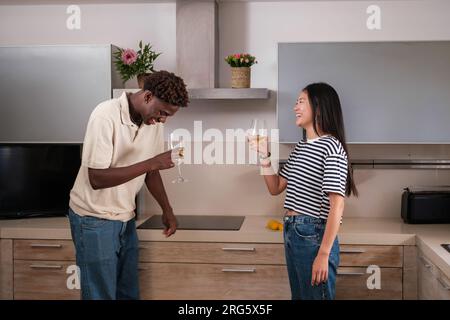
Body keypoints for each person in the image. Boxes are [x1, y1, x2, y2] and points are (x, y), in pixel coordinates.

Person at [68, 70, 189, 300]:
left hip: (125, 219)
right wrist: (152, 162)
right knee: (99, 295)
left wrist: (168, 210)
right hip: (93, 219)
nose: (163, 119)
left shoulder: (153, 123)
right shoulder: (105, 115)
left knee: (128, 294)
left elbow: (151, 172)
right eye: (162, 112)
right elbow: (97, 178)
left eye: (168, 116)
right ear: (147, 96)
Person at [250, 82, 358, 300]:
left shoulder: (331, 147)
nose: (295, 107)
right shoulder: (301, 147)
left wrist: (324, 253)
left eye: (301, 101)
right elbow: (275, 187)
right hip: (293, 231)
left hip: (314, 233)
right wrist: (264, 155)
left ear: (319, 107)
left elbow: (337, 204)